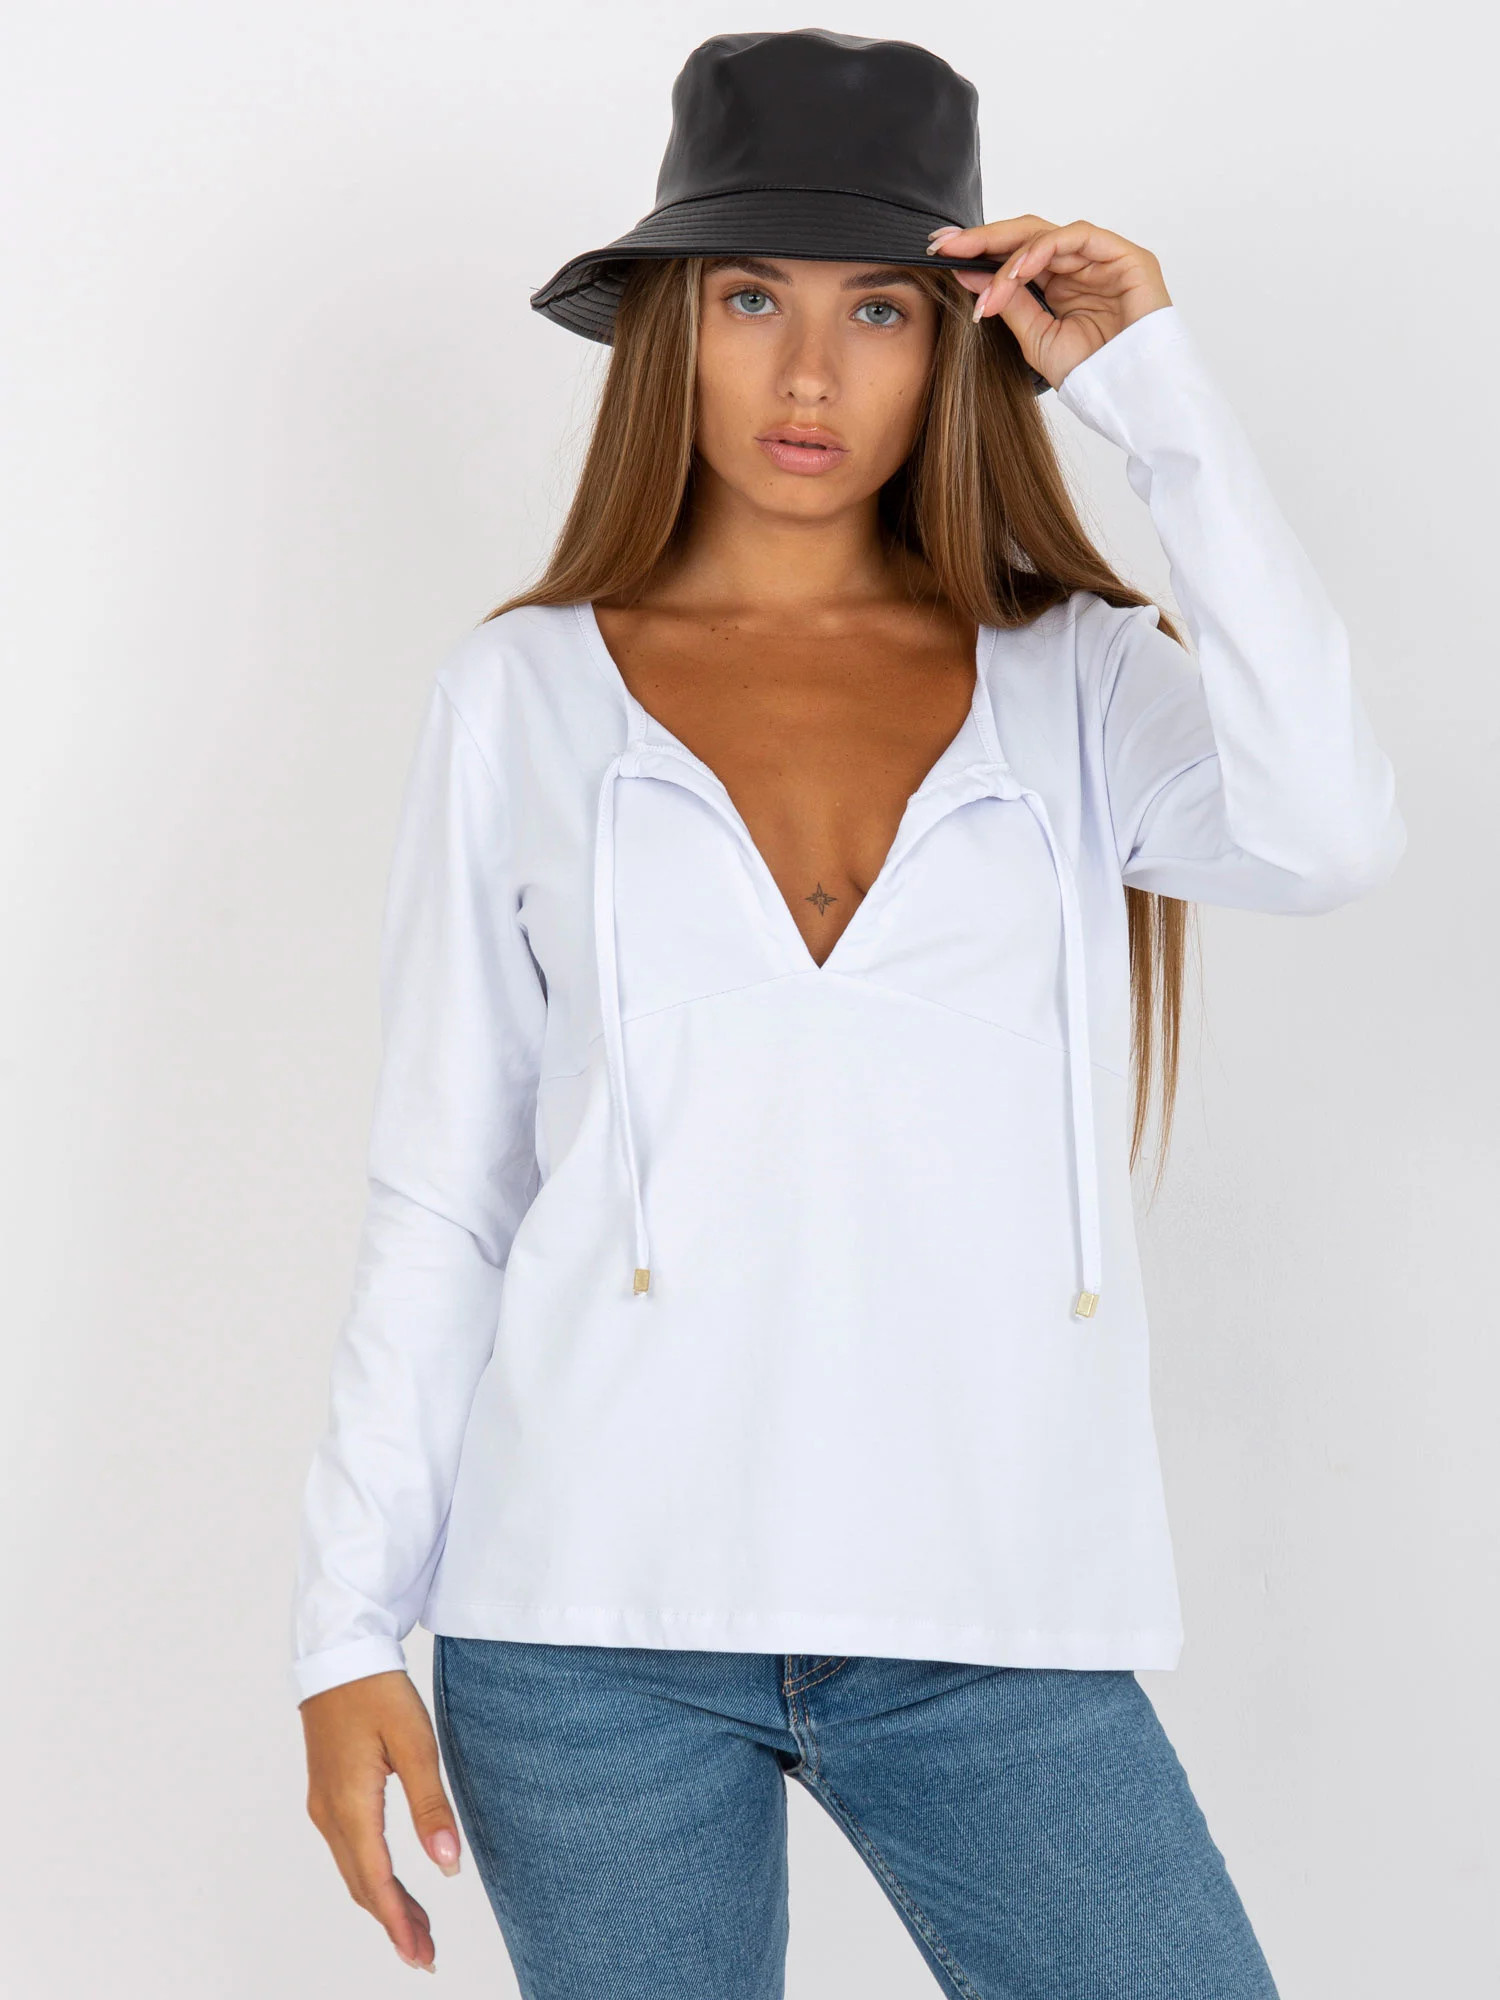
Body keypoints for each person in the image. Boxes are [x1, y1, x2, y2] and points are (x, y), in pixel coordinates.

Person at [290, 28, 1405, 1997]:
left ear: (958, 336)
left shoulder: (1078, 681)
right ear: (672, 326)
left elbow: (1329, 832)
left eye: (879, 308)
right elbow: (446, 1191)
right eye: (751, 299)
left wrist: (1156, 392)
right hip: (589, 1627)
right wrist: (345, 1625)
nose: (809, 374)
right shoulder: (519, 696)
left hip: (989, 1613)